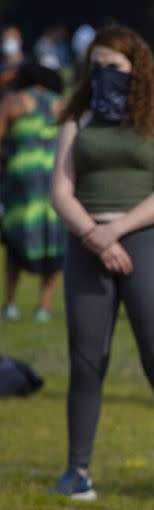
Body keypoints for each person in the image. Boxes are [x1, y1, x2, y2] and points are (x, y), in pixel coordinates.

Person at [50, 25, 154, 502]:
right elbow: (60, 189)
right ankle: (77, 470)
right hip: (87, 245)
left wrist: (115, 232)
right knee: (85, 360)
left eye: (114, 66)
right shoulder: (77, 119)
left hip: (146, 244)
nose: (104, 74)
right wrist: (93, 236)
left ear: (135, 69)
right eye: (96, 66)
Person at [0, 63, 66, 323]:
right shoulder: (62, 105)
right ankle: (44, 307)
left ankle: (11, 304)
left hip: (21, 180)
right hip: (55, 180)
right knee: (55, 243)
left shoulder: (14, 101)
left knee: (15, 241)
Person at [0, 26, 26, 93]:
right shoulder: (1, 67)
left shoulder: (29, 65)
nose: (9, 41)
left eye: (12, 37)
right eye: (6, 38)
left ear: (20, 40)